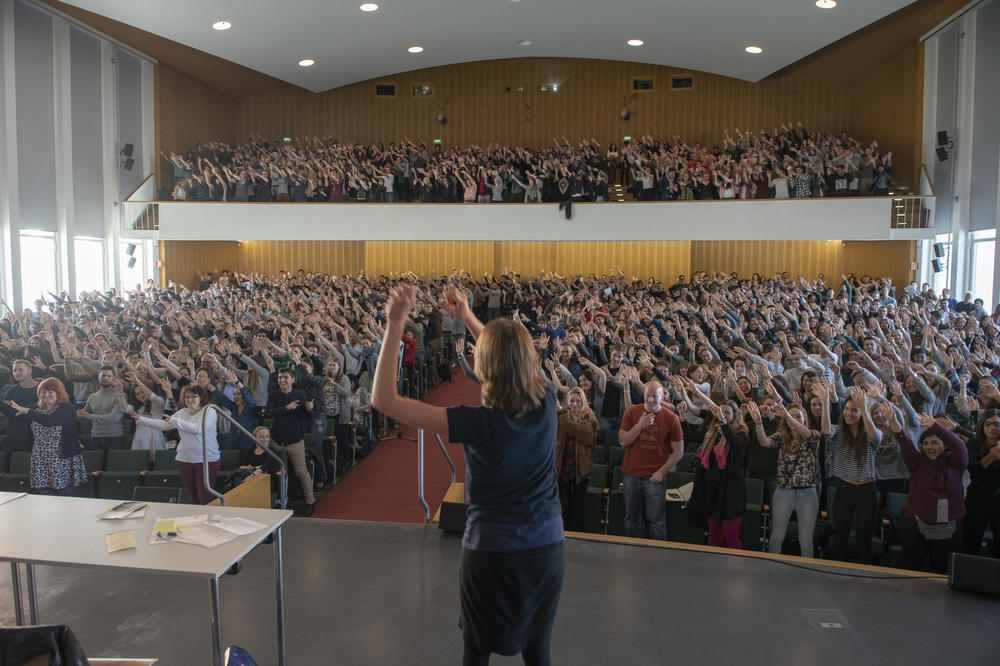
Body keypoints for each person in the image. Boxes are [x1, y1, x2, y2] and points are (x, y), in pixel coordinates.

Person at [371, 283, 563, 666]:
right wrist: (468, 317)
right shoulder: (546, 401)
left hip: (492, 551)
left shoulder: (477, 423)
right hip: (546, 547)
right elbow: (511, 359)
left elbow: (384, 400)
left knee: (477, 650)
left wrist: (395, 325)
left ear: (482, 366)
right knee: (538, 651)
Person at [885, 409, 967, 572]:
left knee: (942, 572)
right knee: (912, 569)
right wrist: (894, 422)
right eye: (926, 443)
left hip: (949, 528)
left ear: (944, 445)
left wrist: (936, 427)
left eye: (935, 442)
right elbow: (904, 442)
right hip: (915, 525)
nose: (930, 447)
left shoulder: (957, 462)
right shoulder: (917, 462)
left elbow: (959, 446)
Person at [753, 399, 824, 558]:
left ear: (805, 418)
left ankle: (806, 572)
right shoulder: (782, 436)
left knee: (805, 538)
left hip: (807, 493)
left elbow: (808, 435)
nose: (795, 419)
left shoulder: (813, 435)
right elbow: (764, 442)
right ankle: (772, 566)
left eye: (798, 416)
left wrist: (786, 415)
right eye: (791, 417)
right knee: (777, 535)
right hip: (783, 492)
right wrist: (758, 423)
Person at [132, 384, 221, 504]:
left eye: (193, 396)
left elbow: (197, 429)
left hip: (206, 460)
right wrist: (141, 419)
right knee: (191, 497)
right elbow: (164, 425)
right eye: (187, 397)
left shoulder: (210, 411)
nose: (189, 400)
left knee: (205, 496)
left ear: (201, 397)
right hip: (184, 460)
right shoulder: (182, 412)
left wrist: (175, 421)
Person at [619, 381, 683, 540]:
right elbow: (623, 441)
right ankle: (633, 552)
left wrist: (662, 471)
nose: (651, 400)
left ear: (662, 396)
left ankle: (657, 558)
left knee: (657, 521)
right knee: (631, 518)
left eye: (655, 397)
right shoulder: (632, 412)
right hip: (631, 474)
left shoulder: (671, 418)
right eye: (648, 396)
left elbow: (679, 451)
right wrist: (640, 425)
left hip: (655, 477)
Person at [1, 377, 86, 496]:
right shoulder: (35, 408)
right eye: (43, 392)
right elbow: (14, 414)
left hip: (62, 458)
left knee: (66, 495)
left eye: (50, 392)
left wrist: (27, 411)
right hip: (41, 457)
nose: (46, 395)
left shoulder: (67, 407)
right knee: (45, 495)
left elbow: (49, 421)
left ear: (58, 393)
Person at [827, 386, 879, 563]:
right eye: (846, 409)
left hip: (867, 490)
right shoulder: (839, 430)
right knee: (840, 533)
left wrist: (864, 407)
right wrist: (826, 399)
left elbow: (875, 437)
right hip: (844, 487)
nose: (849, 413)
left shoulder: (871, 431)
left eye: (853, 410)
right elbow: (826, 431)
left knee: (864, 535)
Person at [689, 400, 748, 549]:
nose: (723, 415)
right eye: (721, 412)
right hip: (713, 488)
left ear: (735, 415)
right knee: (714, 531)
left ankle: (736, 567)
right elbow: (691, 437)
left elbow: (734, 442)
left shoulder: (741, 432)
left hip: (731, 490)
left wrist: (722, 421)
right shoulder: (712, 432)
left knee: (730, 534)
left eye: (727, 412)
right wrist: (683, 417)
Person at [264, 368, 316, 515]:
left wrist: (310, 409)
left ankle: (310, 501)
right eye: (280, 378)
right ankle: (282, 500)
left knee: (301, 471)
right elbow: (268, 412)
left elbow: (310, 416)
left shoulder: (299, 395)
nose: (282, 380)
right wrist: (286, 408)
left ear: (292, 380)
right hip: (276, 441)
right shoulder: (274, 395)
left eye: (286, 378)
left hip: (294, 440)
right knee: (279, 472)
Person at [555, 387, 598, 531]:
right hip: (563, 466)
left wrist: (564, 414)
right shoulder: (562, 416)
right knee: (563, 504)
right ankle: (564, 532)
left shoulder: (588, 415)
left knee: (578, 505)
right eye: (572, 401)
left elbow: (585, 434)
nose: (574, 404)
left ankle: (577, 534)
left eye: (578, 401)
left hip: (581, 467)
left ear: (583, 402)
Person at [962, 409, 1000, 558]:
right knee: (971, 541)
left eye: (996, 424)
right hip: (977, 497)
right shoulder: (974, 443)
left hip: (998, 498)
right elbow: (972, 469)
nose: (992, 428)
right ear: (982, 427)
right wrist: (990, 458)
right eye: (988, 424)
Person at [78, 366, 126, 451]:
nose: (105, 378)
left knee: (115, 464)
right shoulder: (92, 396)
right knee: (95, 464)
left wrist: (90, 416)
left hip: (114, 437)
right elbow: (82, 414)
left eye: (109, 376)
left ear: (113, 378)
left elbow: (114, 418)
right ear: (98, 377)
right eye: (103, 375)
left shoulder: (120, 396)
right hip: (95, 437)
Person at [1, 359, 40, 453]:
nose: (17, 373)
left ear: (30, 371)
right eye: (14, 371)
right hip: (15, 432)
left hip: (36, 432)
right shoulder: (12, 390)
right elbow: (5, 411)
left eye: (20, 370)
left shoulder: (41, 388)